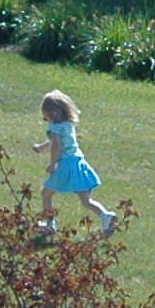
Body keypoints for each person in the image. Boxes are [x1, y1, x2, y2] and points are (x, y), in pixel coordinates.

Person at [39, 90, 115, 236]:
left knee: (46, 193)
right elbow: (58, 142)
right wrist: (41, 148)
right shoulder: (68, 125)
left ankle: (49, 224)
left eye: (45, 116)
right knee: (86, 201)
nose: (46, 119)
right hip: (79, 163)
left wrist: (52, 164)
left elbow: (56, 146)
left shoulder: (54, 127)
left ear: (51, 113)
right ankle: (106, 216)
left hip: (66, 165)